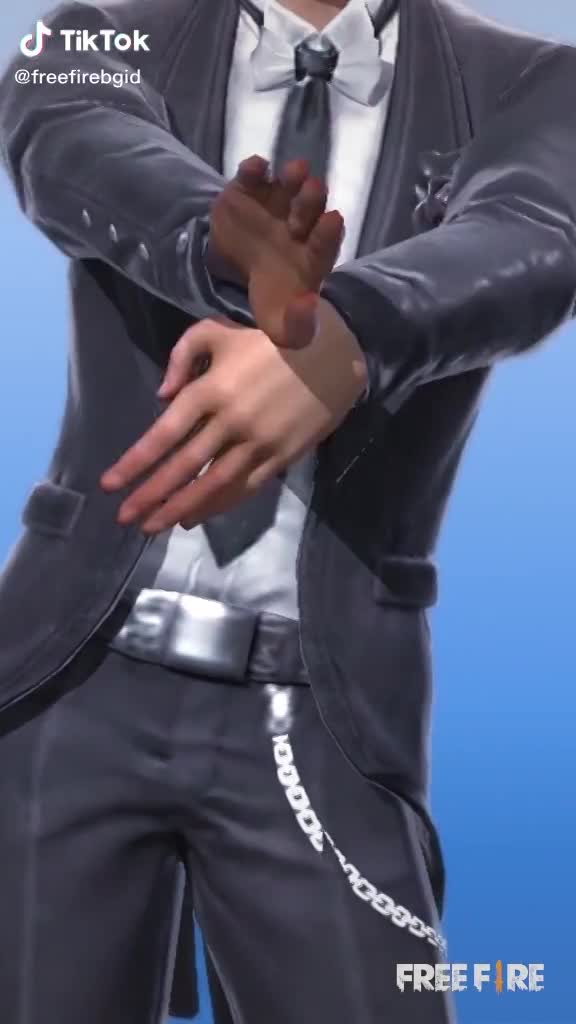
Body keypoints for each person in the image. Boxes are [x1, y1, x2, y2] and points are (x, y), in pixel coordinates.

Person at [0, 1, 575, 1022]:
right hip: (73, 680)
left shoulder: (534, 80)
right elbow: (69, 140)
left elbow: (532, 236)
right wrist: (219, 244)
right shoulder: (93, 29)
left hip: (319, 707)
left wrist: (344, 335)